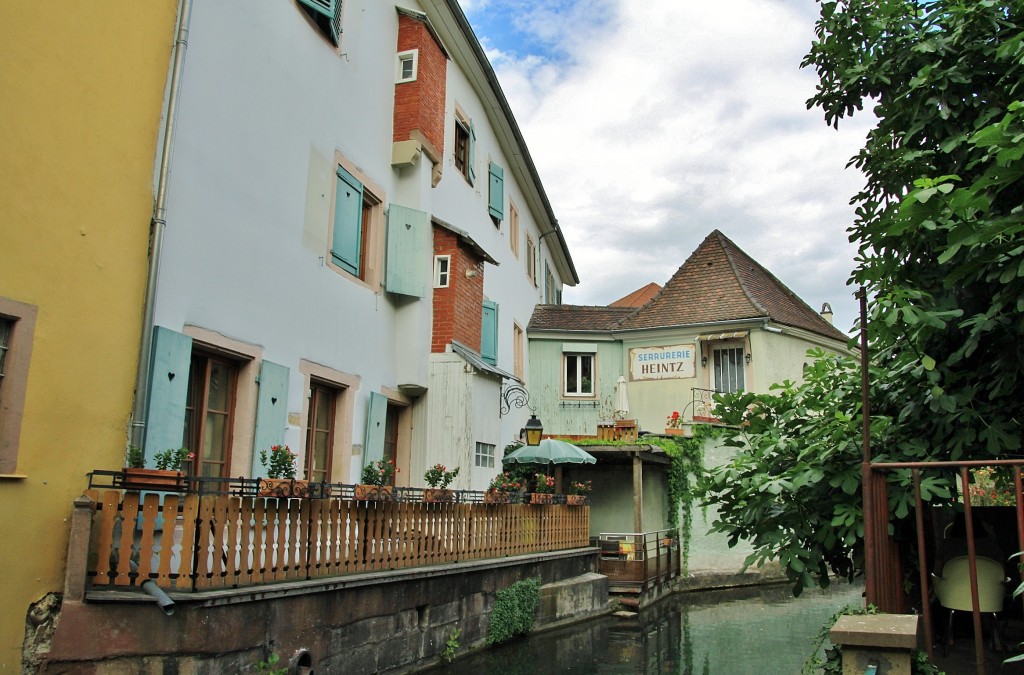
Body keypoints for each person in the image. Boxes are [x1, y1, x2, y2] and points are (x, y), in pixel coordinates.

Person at [933, 511, 1005, 576]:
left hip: (951, 588)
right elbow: (1001, 571)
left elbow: (937, 571)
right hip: (989, 587)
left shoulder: (947, 545)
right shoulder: (990, 545)